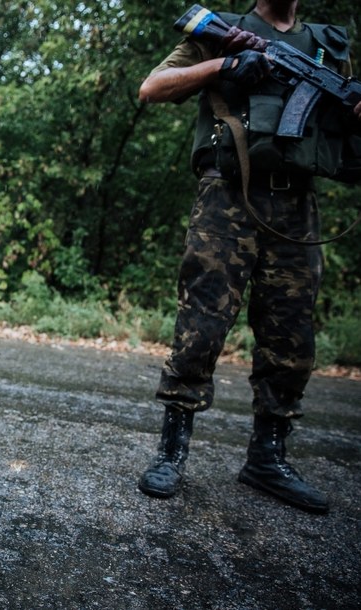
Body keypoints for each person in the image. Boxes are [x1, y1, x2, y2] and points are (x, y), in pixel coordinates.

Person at [136, 0, 361, 514]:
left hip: (296, 204)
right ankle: (172, 452)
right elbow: (152, 87)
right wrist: (224, 65)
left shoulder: (330, 47)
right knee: (202, 325)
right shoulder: (226, 32)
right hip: (226, 197)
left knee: (291, 334)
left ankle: (268, 457)